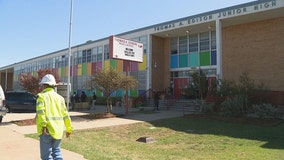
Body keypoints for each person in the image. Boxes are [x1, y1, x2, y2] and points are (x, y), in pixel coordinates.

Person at [36, 74, 73, 160]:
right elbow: (66, 115)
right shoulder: (60, 98)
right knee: (57, 153)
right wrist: (69, 129)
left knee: (46, 156)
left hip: (46, 131)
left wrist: (43, 126)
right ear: (54, 85)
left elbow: (41, 113)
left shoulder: (41, 97)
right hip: (58, 131)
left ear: (44, 85)